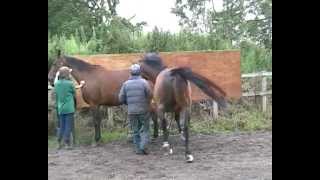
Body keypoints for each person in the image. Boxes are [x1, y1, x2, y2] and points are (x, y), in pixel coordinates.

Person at [119, 64, 152, 155]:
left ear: (131, 73)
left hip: (131, 111)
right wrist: (147, 102)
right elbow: (150, 94)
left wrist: (128, 103)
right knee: (145, 129)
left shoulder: (125, 84)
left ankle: (138, 149)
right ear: (140, 72)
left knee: (135, 130)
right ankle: (143, 146)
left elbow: (121, 98)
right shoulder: (144, 82)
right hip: (143, 109)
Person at [54, 66, 85, 149]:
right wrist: (81, 84)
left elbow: (56, 91)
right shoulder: (70, 83)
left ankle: (59, 142)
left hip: (60, 108)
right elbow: (74, 92)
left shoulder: (56, 84)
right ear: (67, 74)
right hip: (69, 108)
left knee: (62, 126)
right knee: (68, 126)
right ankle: (67, 143)